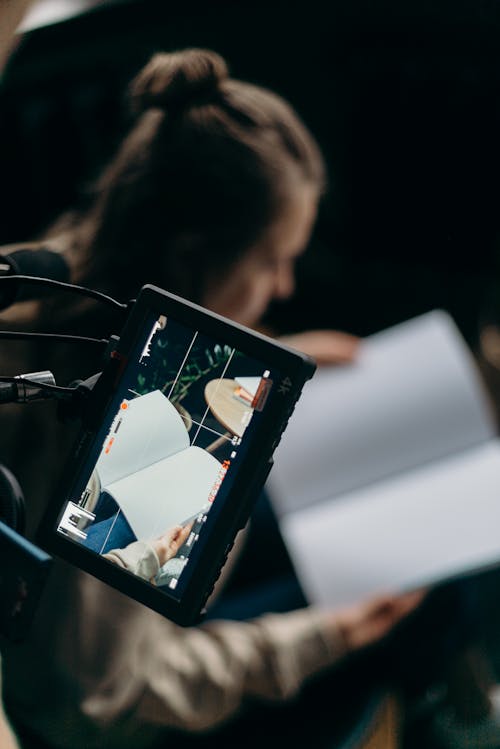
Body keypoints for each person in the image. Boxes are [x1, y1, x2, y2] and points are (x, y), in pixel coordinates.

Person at [0, 48, 477, 749]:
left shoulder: (52, 281)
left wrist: (261, 366)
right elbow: (97, 703)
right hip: (109, 708)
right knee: (439, 587)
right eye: (274, 259)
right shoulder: (144, 424)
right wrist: (323, 638)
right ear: (196, 257)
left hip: (119, 605)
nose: (282, 287)